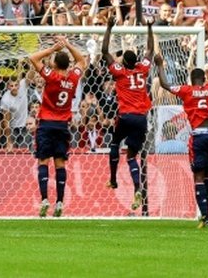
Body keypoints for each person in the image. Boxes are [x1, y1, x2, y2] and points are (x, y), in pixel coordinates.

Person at [154, 32, 208, 228]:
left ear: (191, 79)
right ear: (203, 78)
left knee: (198, 176)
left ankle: (205, 216)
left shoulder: (186, 90)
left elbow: (165, 84)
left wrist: (160, 65)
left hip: (199, 137)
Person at [28, 36, 87, 218]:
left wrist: (53, 48)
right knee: (60, 163)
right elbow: (82, 61)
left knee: (43, 161)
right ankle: (60, 202)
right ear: (67, 65)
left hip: (46, 124)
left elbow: (33, 58)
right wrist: (68, 44)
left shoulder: (50, 76)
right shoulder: (73, 79)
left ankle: (45, 199)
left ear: (54, 64)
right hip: (63, 125)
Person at [101, 16, 154, 211]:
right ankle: (138, 188)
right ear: (137, 61)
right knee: (132, 157)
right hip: (141, 118)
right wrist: (149, 27)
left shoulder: (120, 72)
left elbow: (104, 51)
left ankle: (113, 179)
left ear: (123, 61)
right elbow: (150, 50)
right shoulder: (143, 69)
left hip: (125, 116)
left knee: (115, 143)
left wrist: (109, 27)